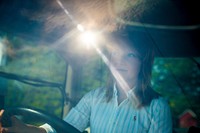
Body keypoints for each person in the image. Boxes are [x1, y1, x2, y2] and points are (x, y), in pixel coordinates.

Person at [0, 28, 172, 133]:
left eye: (130, 55)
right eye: (115, 53)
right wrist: (26, 129)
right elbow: (60, 129)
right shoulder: (93, 98)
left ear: (144, 62)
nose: (119, 61)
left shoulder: (158, 106)